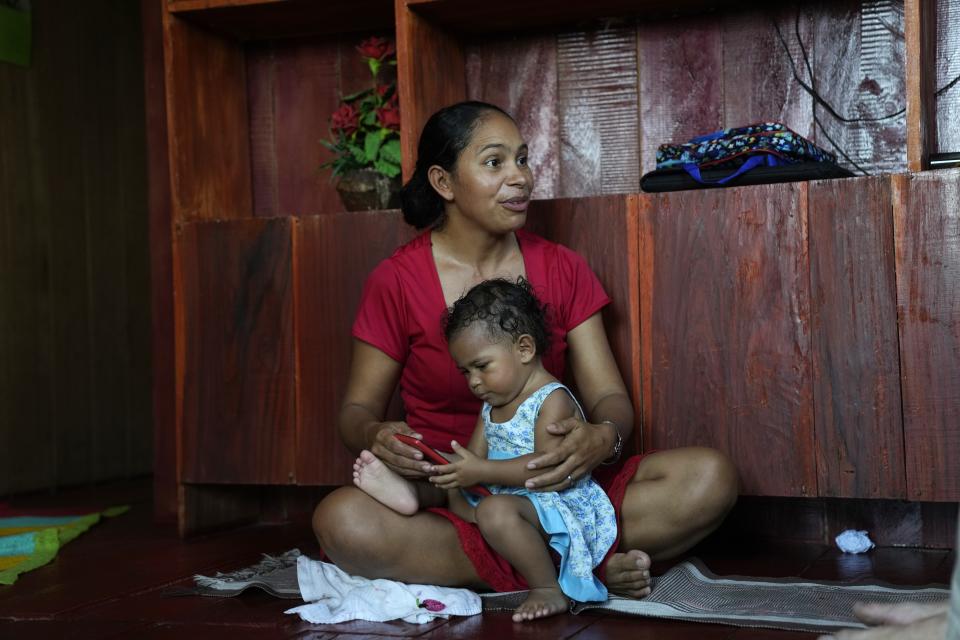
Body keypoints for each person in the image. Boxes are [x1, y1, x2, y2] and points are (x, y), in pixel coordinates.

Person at [312, 100, 739, 598]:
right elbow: (355, 413)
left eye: (523, 159)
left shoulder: (562, 268)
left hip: (555, 491)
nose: (521, 178)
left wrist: (603, 437)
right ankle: (581, 565)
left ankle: (531, 562)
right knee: (341, 520)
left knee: (712, 478)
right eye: (495, 163)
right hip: (454, 504)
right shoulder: (397, 280)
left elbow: (610, 400)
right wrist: (375, 432)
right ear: (444, 183)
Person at [353, 277, 618, 621]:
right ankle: (409, 494)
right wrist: (441, 464)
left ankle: (547, 589)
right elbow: (474, 460)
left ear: (524, 349)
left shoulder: (551, 399)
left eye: (481, 367)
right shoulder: (491, 405)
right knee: (453, 488)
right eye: (465, 372)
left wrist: (479, 472)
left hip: (548, 500)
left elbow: (544, 467)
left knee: (493, 512)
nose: (473, 382)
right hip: (501, 493)